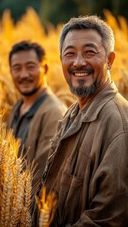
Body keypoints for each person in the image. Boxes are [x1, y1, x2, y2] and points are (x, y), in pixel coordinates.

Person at [38, 15, 128, 226]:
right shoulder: (73, 112)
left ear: (110, 60)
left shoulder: (120, 125)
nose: (78, 62)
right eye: (70, 54)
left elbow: (109, 217)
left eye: (90, 52)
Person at [7, 40, 67, 187]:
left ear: (44, 68)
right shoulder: (17, 108)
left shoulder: (55, 113)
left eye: (30, 67)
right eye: (17, 68)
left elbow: (43, 176)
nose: (24, 74)